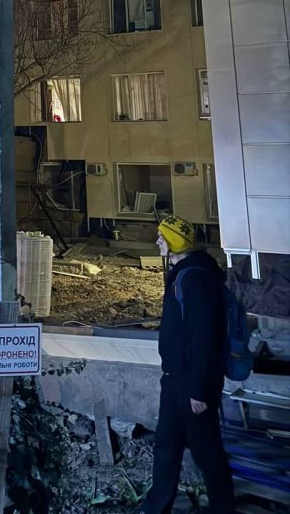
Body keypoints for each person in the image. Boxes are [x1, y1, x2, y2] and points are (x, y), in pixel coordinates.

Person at [140, 215, 235, 513]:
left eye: (161, 237)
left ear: (175, 242)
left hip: (191, 384)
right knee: (166, 448)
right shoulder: (184, 273)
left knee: (207, 452)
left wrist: (199, 390)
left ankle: (223, 508)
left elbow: (205, 338)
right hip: (175, 380)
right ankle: (157, 506)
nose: (157, 242)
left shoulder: (195, 278)